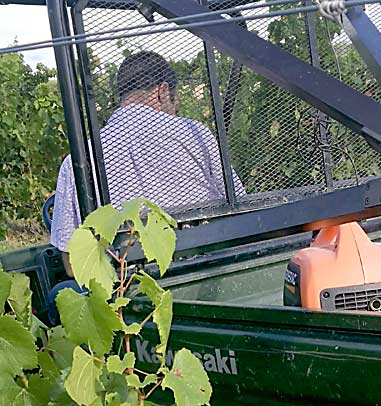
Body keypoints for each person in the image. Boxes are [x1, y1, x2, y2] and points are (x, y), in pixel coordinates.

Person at [47, 51, 244, 316]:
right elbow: (242, 209)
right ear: (163, 91)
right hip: (207, 273)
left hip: (125, 291)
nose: (175, 111)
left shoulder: (78, 161)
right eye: (176, 103)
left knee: (56, 296)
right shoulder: (196, 135)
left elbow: (72, 265)